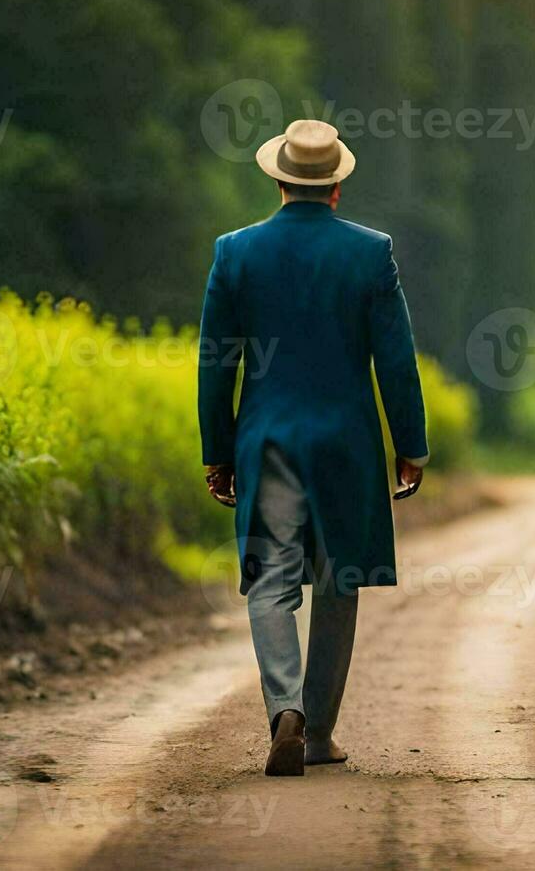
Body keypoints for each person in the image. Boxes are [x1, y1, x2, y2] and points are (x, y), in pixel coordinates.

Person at [198, 119, 429, 777]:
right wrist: (410, 443)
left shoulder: (235, 252)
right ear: (336, 187)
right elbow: (397, 360)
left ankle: (284, 713)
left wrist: (217, 450)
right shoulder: (370, 252)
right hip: (347, 445)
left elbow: (217, 364)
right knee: (338, 581)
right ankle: (320, 733)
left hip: (267, 437)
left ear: (278, 180)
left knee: (270, 581)